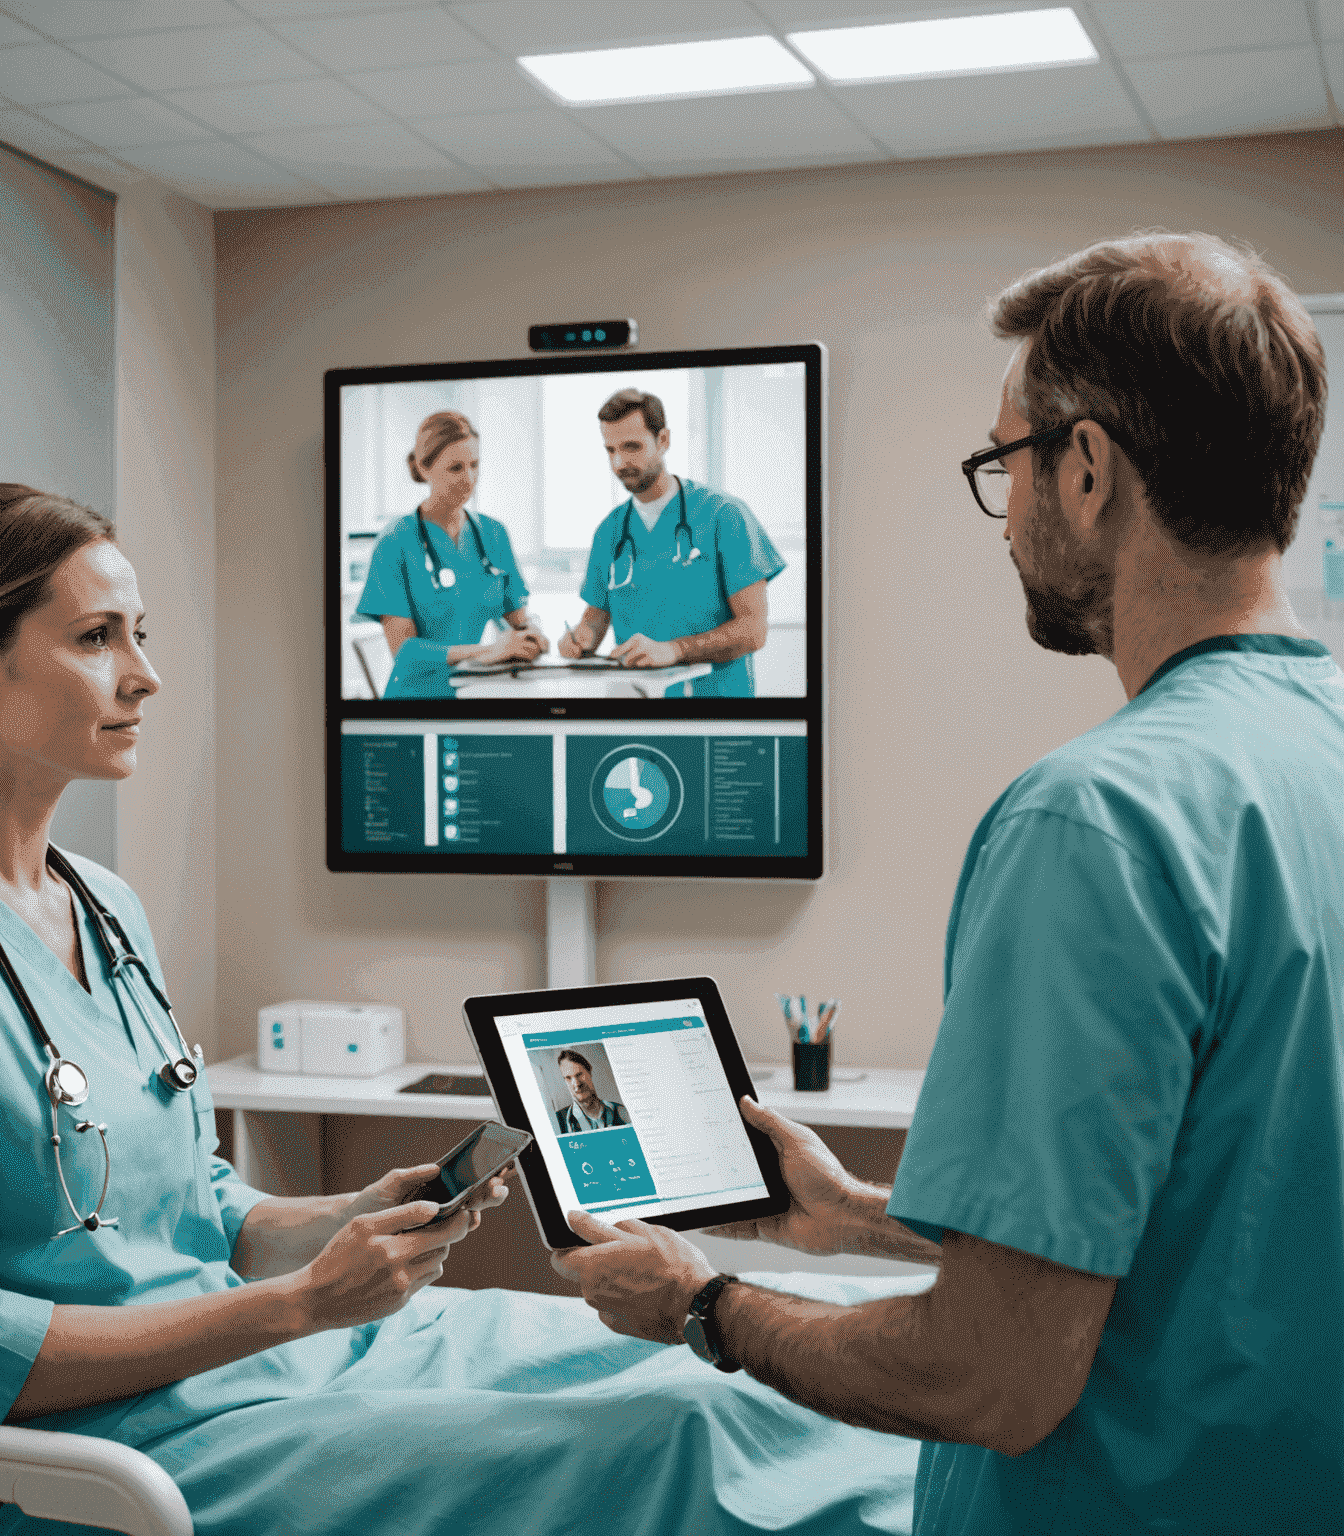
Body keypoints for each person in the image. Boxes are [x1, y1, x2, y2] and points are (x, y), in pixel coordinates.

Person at [0, 481, 931, 1536]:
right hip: (118, 1452)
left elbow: (202, 1209)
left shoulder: (103, 906)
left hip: (281, 1365)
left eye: (140, 634)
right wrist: (303, 1305)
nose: (145, 675)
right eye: (98, 638)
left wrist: (356, 1216)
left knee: (715, 1352)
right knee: (688, 1431)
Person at [554, 233, 1340, 1533]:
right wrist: (861, 1220)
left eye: (1005, 462)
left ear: (1086, 469)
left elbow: (995, 1376)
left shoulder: (1097, 823)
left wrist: (703, 1304)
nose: (1009, 508)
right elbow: (1209, 1240)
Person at [557, 389, 784, 697]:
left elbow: (754, 630)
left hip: (716, 713)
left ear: (663, 440)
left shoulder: (724, 515)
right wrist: (580, 637)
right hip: (637, 713)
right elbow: (596, 618)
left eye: (632, 447)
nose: (620, 462)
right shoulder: (609, 532)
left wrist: (675, 650)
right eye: (610, 450)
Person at [355, 409, 546, 698]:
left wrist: (532, 634)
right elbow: (405, 653)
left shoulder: (494, 535)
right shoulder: (395, 542)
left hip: (474, 694)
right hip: (414, 704)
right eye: (455, 468)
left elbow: (519, 617)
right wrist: (489, 650)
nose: (469, 478)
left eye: (474, 465)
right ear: (423, 467)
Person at [553, 1048, 630, 1133]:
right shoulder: (557, 1121)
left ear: (589, 1072)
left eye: (579, 1075)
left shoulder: (621, 1111)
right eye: (568, 1078)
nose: (576, 1084)